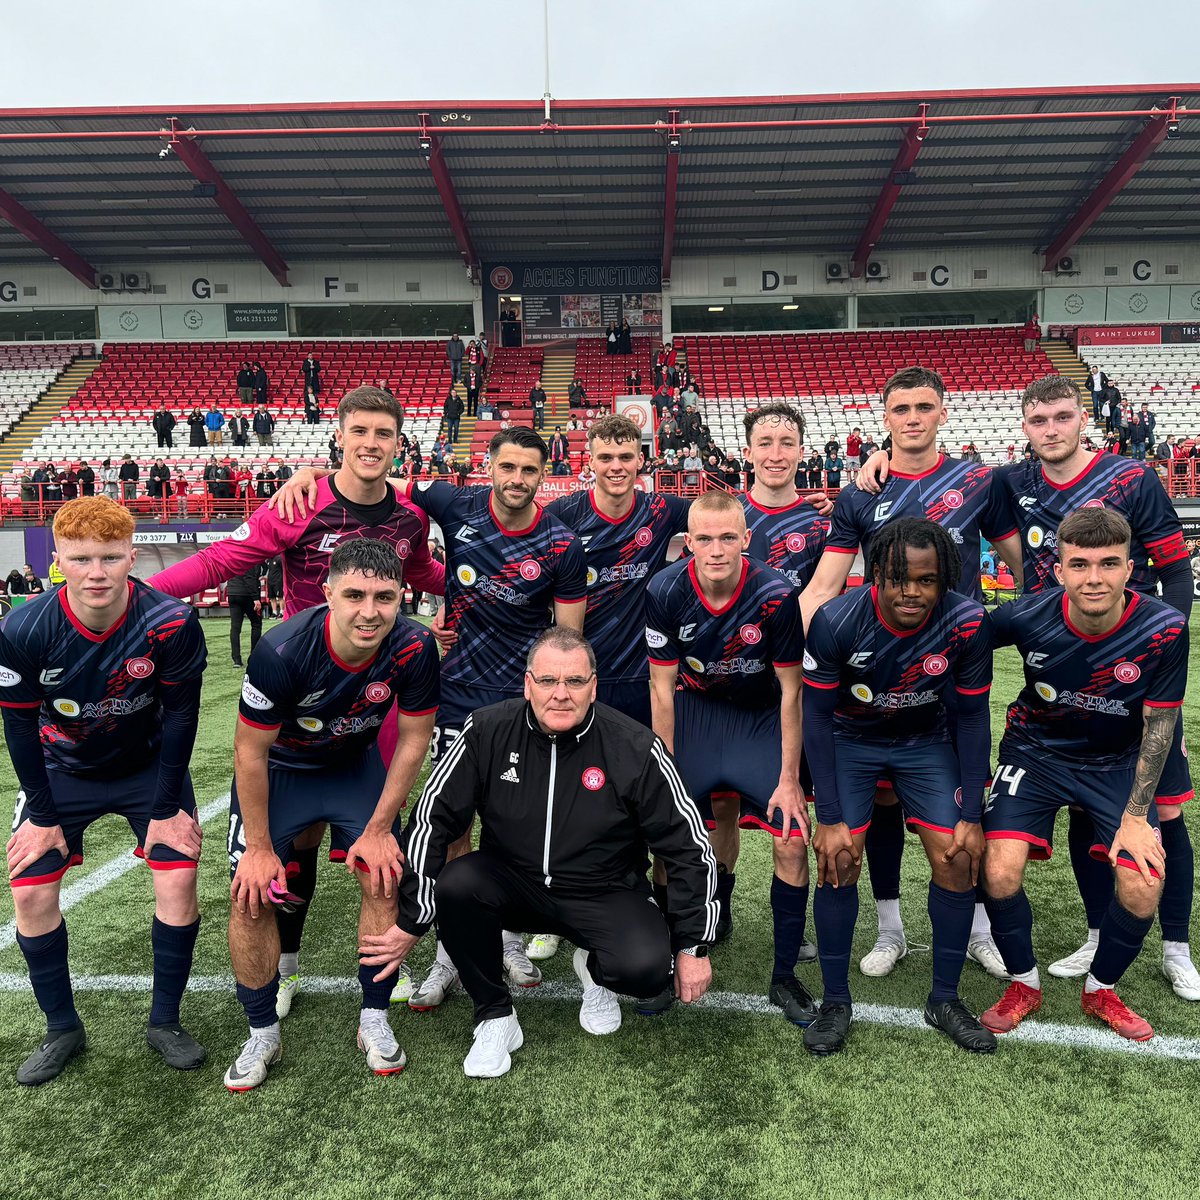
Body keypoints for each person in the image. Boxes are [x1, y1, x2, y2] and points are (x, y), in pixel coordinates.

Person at [268, 425, 586, 1007]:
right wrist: (311, 474)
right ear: (487, 466)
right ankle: (450, 952)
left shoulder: (562, 543)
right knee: (454, 823)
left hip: (523, 699)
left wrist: (551, 695)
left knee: (515, 820)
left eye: (529, 471)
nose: (516, 479)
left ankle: (507, 937)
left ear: (544, 475)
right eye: (507, 467)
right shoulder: (450, 501)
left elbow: (567, 638)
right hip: (457, 689)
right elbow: (368, 481)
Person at [359, 628, 715, 1078]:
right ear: (528, 684)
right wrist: (414, 916)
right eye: (547, 681)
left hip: (603, 889)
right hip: (514, 882)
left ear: (594, 685)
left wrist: (693, 945)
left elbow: (688, 846)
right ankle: (494, 1016)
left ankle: (595, 965)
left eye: (574, 682)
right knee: (458, 883)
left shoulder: (635, 746)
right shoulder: (486, 729)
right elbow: (433, 818)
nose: (560, 695)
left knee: (647, 971)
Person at [806, 366, 1023, 980]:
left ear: (943, 413)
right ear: (885, 417)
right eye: (900, 409)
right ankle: (890, 928)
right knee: (876, 806)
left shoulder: (981, 481)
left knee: (958, 816)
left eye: (924, 407)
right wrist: (787, 656)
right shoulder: (860, 491)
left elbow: (1025, 565)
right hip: (878, 675)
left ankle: (978, 931)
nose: (912, 418)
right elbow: (826, 585)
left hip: (953, 669)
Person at [0, 497, 207, 1084]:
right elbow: (16, 723)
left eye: (111, 558)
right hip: (60, 770)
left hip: (148, 770)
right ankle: (61, 1026)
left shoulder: (169, 621)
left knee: (179, 875)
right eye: (81, 558)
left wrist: (167, 807)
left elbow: (180, 719)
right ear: (57, 560)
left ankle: (164, 1020)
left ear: (131, 557)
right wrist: (40, 815)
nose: (97, 572)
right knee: (31, 893)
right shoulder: (24, 626)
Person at [223, 538, 439, 1091]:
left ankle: (374, 1016)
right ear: (327, 594)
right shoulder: (282, 649)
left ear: (402, 596)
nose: (370, 611)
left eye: (384, 597)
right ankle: (261, 1029)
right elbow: (249, 752)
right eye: (355, 595)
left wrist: (379, 828)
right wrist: (261, 846)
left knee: (384, 874)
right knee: (251, 895)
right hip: (282, 772)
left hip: (351, 767)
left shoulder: (414, 645)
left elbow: (414, 742)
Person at [980, 509, 1186, 1041]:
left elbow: (1159, 724)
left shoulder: (1163, 628)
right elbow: (955, 638)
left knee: (1143, 884)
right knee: (999, 870)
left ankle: (1101, 992)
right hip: (1035, 753)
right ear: (1061, 571)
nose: (1094, 578)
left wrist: (1138, 816)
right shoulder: (1027, 616)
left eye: (1108, 564)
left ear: (1130, 567)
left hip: (1117, 762)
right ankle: (1023, 984)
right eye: (1080, 565)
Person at [802, 519, 996, 1055]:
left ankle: (945, 998)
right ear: (876, 576)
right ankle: (836, 1000)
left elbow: (976, 719)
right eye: (898, 578)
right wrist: (831, 816)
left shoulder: (966, 621)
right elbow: (815, 719)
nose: (911, 591)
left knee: (958, 857)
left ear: (944, 580)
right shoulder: (836, 620)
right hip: (850, 741)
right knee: (839, 857)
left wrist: (973, 814)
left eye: (927, 581)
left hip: (923, 743)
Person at [646, 492, 814, 1026]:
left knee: (790, 839)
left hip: (757, 718)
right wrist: (665, 770)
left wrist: (789, 779)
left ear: (746, 539)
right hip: (694, 715)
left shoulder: (775, 593)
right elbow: (661, 687)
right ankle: (673, 955)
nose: (715, 549)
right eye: (703, 538)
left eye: (727, 537)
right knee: (667, 842)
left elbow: (793, 690)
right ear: (687, 541)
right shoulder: (665, 588)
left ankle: (785, 975)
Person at [226, 563, 264, 666]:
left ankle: (236, 659)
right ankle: (253, 656)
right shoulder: (251, 559)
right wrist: (256, 598)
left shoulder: (233, 557)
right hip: (246, 594)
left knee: (235, 627)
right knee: (256, 623)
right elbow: (249, 578)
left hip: (232, 592)